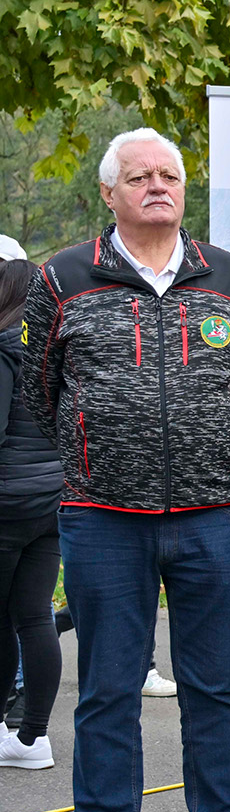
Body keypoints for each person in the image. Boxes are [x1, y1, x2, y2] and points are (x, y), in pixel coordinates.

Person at [21, 129, 230, 812]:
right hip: (102, 519)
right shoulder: (62, 277)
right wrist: (100, 449)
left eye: (169, 174)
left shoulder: (229, 277)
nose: (157, 186)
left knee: (214, 686)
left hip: (213, 516)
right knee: (105, 688)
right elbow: (42, 390)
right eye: (140, 176)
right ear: (111, 193)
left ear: (183, 189)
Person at [1, 248, 64, 772]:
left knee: (10, 620)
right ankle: (31, 739)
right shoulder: (48, 338)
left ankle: (13, 732)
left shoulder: (1, 344)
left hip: (7, 503)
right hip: (51, 499)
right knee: (33, 616)